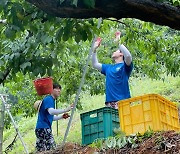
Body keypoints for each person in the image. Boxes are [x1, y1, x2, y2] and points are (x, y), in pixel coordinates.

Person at [92, 31, 133, 109]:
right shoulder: (108, 68)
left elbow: (128, 56)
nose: (114, 51)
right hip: (110, 104)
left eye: (116, 50)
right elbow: (95, 64)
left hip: (122, 102)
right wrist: (94, 49)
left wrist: (119, 42)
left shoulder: (125, 66)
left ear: (121, 54)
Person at [35, 83, 73, 152]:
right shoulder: (49, 99)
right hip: (44, 128)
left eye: (60, 89)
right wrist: (65, 109)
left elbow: (51, 117)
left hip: (40, 129)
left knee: (41, 150)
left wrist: (62, 116)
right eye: (57, 89)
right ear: (51, 90)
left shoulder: (50, 100)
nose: (59, 91)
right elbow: (51, 112)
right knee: (52, 149)